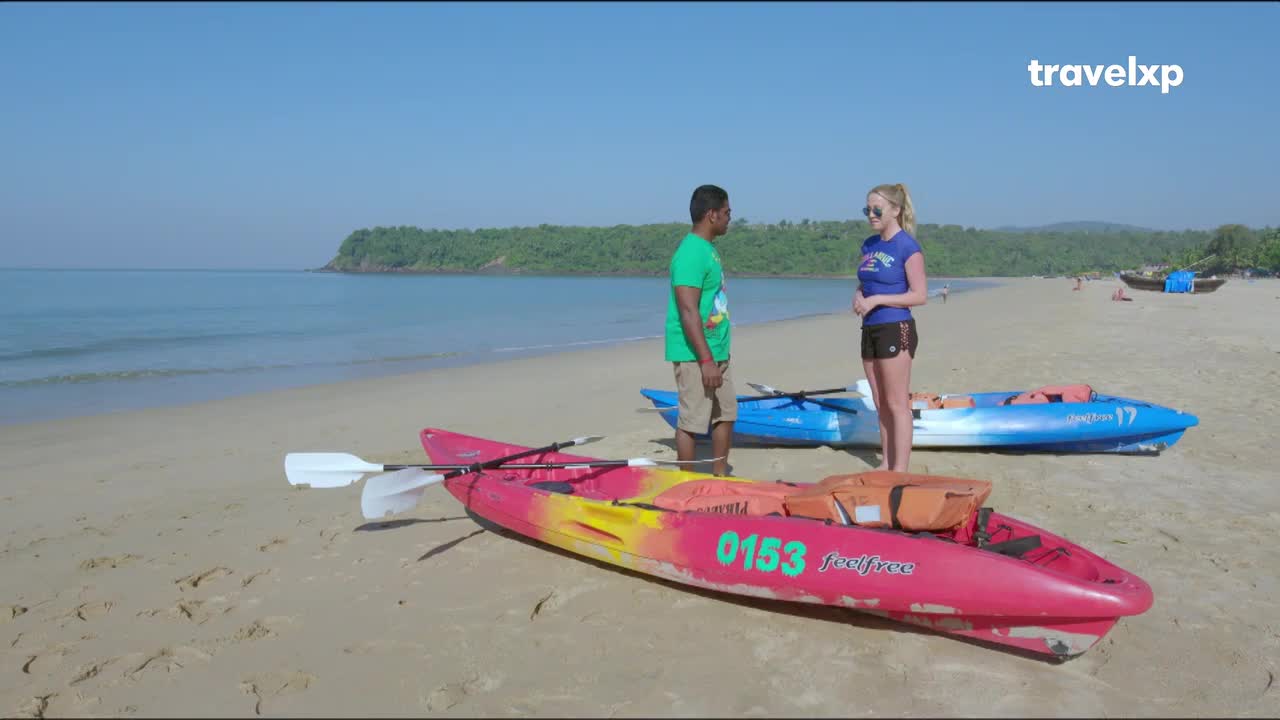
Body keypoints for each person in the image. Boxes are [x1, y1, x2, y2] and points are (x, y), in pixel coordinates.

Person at [852, 183, 928, 472]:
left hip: (895, 328)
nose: (871, 214)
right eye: (867, 209)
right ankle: (886, 463)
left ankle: (900, 469)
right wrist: (859, 295)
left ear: (895, 210)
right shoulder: (869, 245)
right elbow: (866, 281)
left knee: (897, 403)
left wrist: (878, 300)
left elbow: (919, 295)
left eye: (876, 209)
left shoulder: (907, 246)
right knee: (880, 401)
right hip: (869, 328)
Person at [665, 184, 736, 476]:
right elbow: (688, 309)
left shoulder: (708, 250)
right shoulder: (690, 252)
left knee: (726, 415)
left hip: (717, 349)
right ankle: (688, 482)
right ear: (711, 215)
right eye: (726, 213)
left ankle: (719, 478)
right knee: (692, 422)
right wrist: (705, 359)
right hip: (695, 353)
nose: (729, 218)